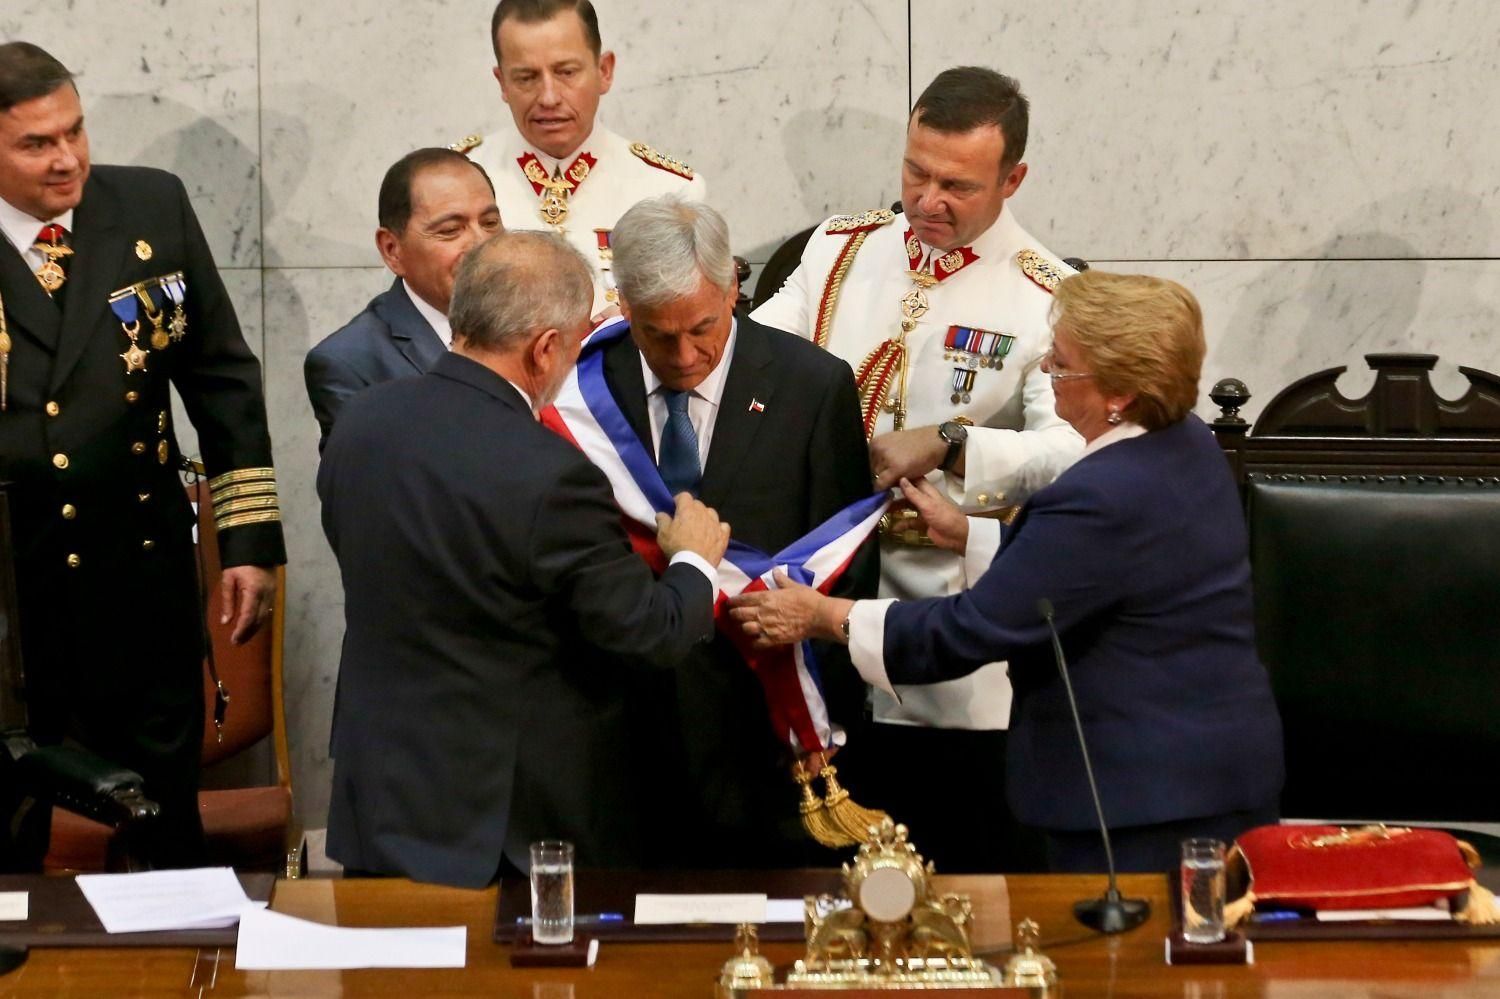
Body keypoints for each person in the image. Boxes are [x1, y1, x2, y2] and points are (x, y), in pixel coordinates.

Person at [733, 270, 1285, 874]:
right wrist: (968, 534)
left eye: (1063, 364)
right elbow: (1094, 576)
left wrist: (826, 616)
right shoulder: (1187, 445)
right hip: (1210, 774)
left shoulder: (1100, 494)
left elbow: (970, 630)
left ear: (1119, 395)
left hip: (1141, 802)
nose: (1046, 368)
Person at [318, 229, 730, 888]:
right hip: (502, 830)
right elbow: (647, 630)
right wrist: (694, 562)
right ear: (544, 348)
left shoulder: (361, 422)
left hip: (380, 803)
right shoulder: (552, 475)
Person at [752, 66, 1083, 871]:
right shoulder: (838, 251)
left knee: (959, 877)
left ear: (1013, 180)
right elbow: (752, 366)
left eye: (957, 186)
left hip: (947, 633)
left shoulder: (1050, 295)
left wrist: (954, 440)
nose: (928, 200)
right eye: (915, 172)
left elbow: (1073, 451)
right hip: (812, 624)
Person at [0, 42, 284, 868]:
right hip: (12, 594)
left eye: (74, 131)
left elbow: (223, 381)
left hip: (141, 577)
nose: (67, 159)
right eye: (36, 144)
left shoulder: (150, 206)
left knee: (163, 838)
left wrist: (249, 542)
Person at [593, 194, 876, 867]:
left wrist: (819, 717)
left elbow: (849, 558)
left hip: (764, 729)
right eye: (657, 334)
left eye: (702, 326)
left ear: (732, 289)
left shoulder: (813, 386)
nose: (685, 354)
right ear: (623, 305)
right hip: (620, 730)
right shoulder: (584, 387)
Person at [463, 0, 707, 313]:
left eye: (566, 72)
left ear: (604, 71)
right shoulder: (458, 181)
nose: (549, 97)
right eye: (526, 78)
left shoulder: (669, 191)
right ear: (502, 83)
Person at [304, 148, 502, 450]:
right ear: (392, 249)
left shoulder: (535, 325)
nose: (481, 244)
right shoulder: (352, 362)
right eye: (451, 230)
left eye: (490, 223)